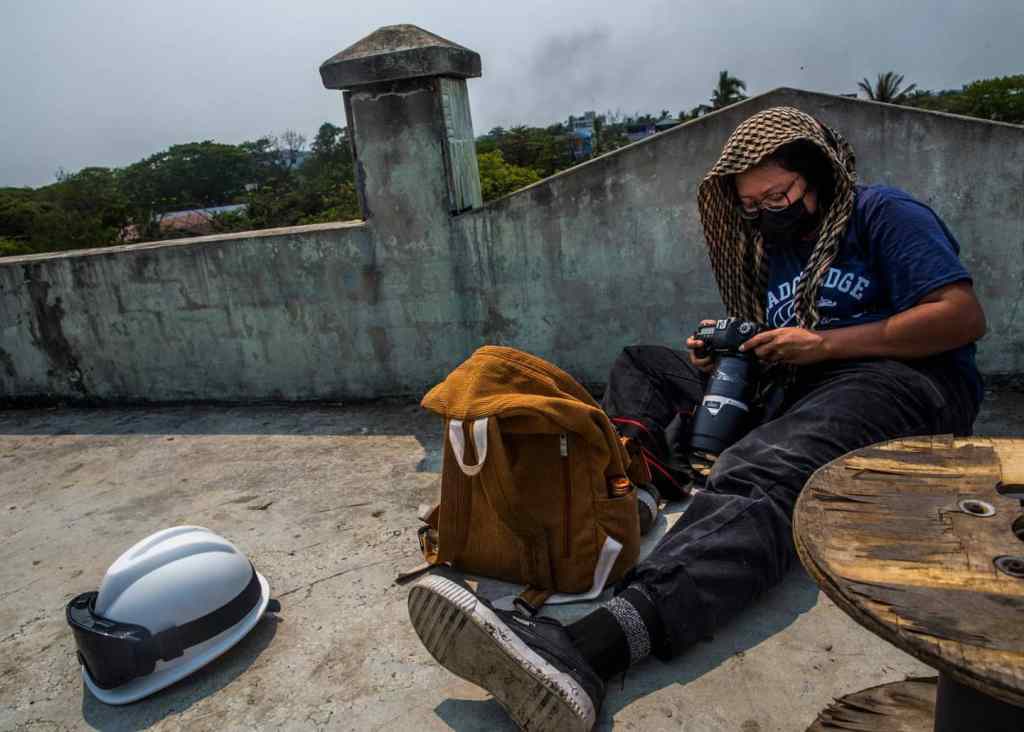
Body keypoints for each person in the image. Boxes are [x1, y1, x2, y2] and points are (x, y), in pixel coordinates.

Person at [405, 107, 986, 732]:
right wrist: (729, 352)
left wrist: (824, 347)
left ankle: (587, 652)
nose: (768, 210)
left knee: (764, 469)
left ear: (815, 171)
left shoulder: (884, 213)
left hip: (899, 385)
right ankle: (635, 495)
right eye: (754, 203)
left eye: (779, 193)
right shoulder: (779, 246)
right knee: (647, 366)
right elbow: (782, 337)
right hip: (800, 384)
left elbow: (960, 317)